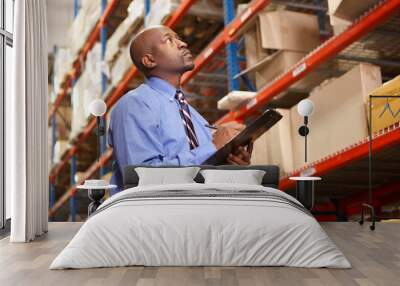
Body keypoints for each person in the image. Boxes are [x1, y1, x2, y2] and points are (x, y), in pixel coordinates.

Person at [108, 25, 253, 195]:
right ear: (149, 60)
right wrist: (213, 147)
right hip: (155, 215)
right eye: (169, 40)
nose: (182, 43)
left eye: (178, 38)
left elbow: (204, 170)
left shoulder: (194, 117)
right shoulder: (134, 105)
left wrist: (230, 159)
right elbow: (141, 178)